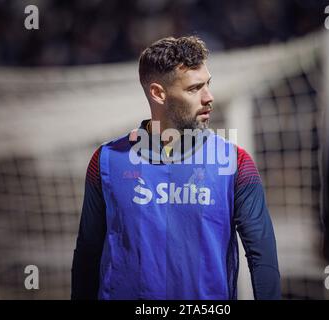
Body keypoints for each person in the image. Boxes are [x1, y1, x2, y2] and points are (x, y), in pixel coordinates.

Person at [71, 36, 281, 300]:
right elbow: (87, 253)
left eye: (208, 84)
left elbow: (263, 257)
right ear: (158, 93)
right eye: (194, 89)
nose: (209, 97)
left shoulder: (236, 163)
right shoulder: (106, 161)